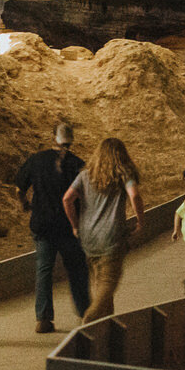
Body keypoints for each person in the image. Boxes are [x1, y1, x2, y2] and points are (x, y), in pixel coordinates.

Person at [14, 123, 91, 334]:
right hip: (68, 226)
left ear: (52, 137)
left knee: (44, 270)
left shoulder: (36, 160)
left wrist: (25, 204)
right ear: (72, 139)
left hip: (42, 224)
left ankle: (43, 319)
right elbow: (84, 197)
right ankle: (85, 313)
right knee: (77, 269)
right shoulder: (77, 164)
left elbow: (19, 188)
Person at [63, 138, 145, 323]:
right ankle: (89, 320)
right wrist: (140, 220)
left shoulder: (85, 176)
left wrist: (75, 226)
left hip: (88, 237)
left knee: (99, 284)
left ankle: (107, 328)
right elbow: (134, 195)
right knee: (107, 284)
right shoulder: (124, 174)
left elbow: (67, 199)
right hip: (112, 237)